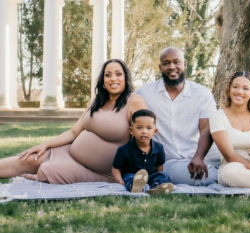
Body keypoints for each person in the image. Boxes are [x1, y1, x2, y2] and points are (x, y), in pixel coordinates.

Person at [0, 59, 147, 184]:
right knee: (30, 158)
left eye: (118, 74)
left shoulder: (134, 101)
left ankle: (30, 175)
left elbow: (144, 140)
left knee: (47, 172)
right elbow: (74, 132)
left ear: (125, 78)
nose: (113, 79)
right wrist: (44, 145)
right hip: (69, 153)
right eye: (108, 75)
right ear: (103, 81)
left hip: (105, 172)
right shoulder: (97, 102)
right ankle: (27, 172)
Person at [137, 47, 220, 186]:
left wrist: (199, 157)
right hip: (170, 160)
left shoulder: (202, 94)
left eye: (176, 62)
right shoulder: (145, 93)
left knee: (234, 157)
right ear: (160, 67)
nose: (171, 67)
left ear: (184, 64)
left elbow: (206, 128)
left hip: (202, 151)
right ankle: (233, 176)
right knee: (209, 177)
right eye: (166, 63)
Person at [112, 109, 174, 194]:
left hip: (150, 176)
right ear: (131, 130)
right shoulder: (124, 149)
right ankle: (136, 187)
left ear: (154, 131)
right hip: (132, 175)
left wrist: (159, 177)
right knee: (129, 178)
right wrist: (120, 181)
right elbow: (115, 168)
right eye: (139, 128)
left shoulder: (159, 148)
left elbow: (159, 167)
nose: (144, 131)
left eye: (148, 128)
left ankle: (156, 187)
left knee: (164, 175)